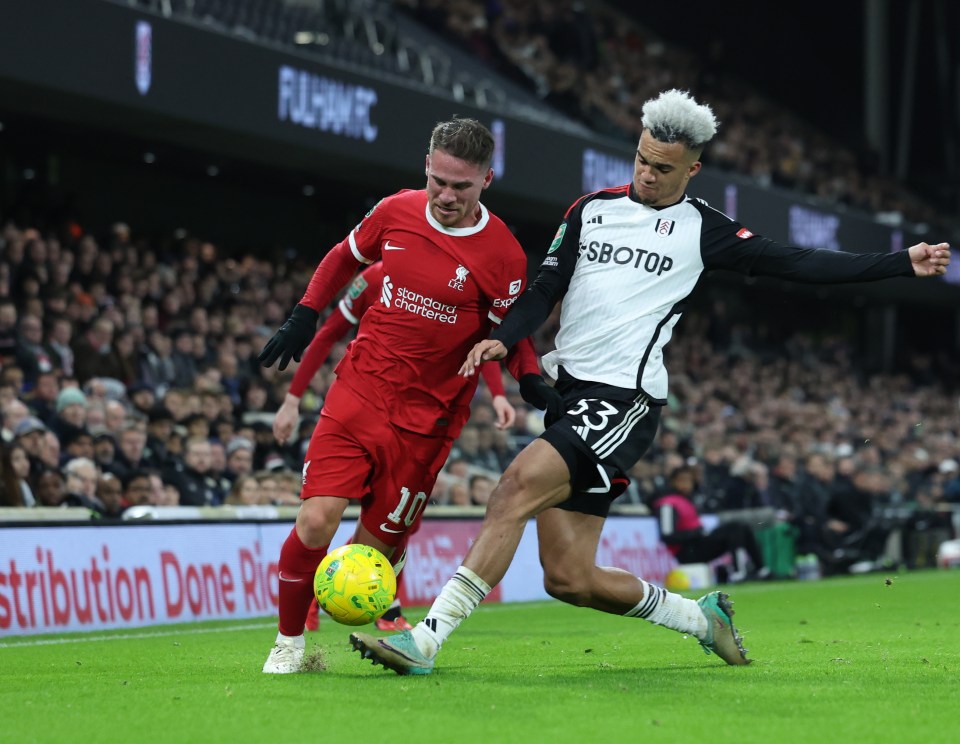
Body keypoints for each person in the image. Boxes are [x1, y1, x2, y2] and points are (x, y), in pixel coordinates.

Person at [349, 88, 952, 675]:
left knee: (512, 489)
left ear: (692, 168)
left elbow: (797, 263)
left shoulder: (703, 229)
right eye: (640, 159)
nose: (647, 174)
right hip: (569, 396)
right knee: (569, 579)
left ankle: (427, 641)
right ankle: (700, 619)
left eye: (662, 167)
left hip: (625, 399)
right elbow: (543, 290)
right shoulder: (590, 210)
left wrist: (900, 262)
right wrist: (506, 339)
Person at [257, 117, 541, 673]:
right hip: (360, 390)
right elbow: (344, 256)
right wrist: (305, 312)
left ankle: (381, 592)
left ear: (487, 179)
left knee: (373, 554)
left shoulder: (503, 254)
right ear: (426, 168)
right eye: (437, 180)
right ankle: (289, 643)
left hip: (429, 422)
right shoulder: (397, 210)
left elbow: (512, 331)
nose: (445, 195)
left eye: (461, 185)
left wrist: (527, 382)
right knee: (316, 522)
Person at [272, 259, 517, 633]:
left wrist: (498, 394)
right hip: (363, 405)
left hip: (424, 423)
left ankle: (387, 608)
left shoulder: (469, 283)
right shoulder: (375, 276)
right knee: (320, 515)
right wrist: (292, 398)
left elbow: (485, 345)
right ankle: (306, 608)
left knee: (398, 528)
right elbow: (329, 333)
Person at [652, 465, 769, 582]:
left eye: (689, 481)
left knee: (741, 527)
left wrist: (698, 533)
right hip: (687, 551)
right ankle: (738, 573)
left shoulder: (687, 500)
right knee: (735, 530)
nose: (686, 485)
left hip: (697, 544)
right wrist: (696, 533)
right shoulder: (667, 504)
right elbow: (667, 536)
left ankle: (761, 570)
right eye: (682, 480)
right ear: (672, 482)